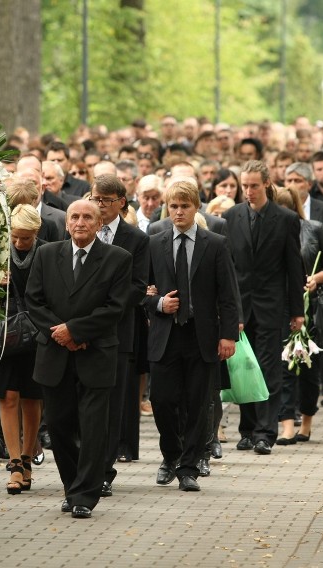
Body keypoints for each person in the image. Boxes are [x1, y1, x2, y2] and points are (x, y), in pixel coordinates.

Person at [25, 200, 133, 519]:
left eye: (88, 217)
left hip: (96, 353)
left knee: (93, 426)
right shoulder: (46, 255)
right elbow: (34, 299)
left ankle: (86, 494)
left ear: (99, 224)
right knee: (58, 424)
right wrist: (60, 333)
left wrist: (76, 331)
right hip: (54, 355)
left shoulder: (117, 259)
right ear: (66, 223)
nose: (80, 222)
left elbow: (116, 307)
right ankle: (72, 486)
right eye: (75, 217)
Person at [145, 178, 239, 490]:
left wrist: (228, 335)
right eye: (174, 206)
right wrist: (158, 303)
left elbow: (228, 293)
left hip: (202, 334)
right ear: (167, 208)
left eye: (185, 206)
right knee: (161, 399)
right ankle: (170, 455)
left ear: (196, 207)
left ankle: (189, 467)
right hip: (166, 334)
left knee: (200, 403)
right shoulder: (155, 241)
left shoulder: (214, 243)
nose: (179, 212)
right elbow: (139, 289)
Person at [222, 160, 305, 455]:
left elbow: (294, 267)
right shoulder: (231, 216)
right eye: (245, 185)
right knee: (243, 365)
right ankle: (246, 429)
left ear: (267, 184)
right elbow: (228, 268)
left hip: (272, 304)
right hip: (240, 305)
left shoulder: (285, 219)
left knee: (269, 367)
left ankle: (265, 432)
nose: (248, 191)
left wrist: (297, 311)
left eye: (254, 185)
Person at [87, 175, 149, 496]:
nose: (99, 206)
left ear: (121, 203)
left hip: (118, 332)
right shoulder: (82, 230)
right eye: (96, 199)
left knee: (113, 404)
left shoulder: (136, 239)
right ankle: (87, 466)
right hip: (83, 332)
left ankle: (104, 470)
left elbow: (138, 287)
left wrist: (105, 309)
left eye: (106, 201)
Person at [273, 187, 323, 444]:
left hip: (312, 308)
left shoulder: (314, 229)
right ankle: (286, 424)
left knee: (309, 369)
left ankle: (306, 421)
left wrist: (316, 279)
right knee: (284, 367)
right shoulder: (271, 232)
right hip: (281, 306)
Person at [0, 204, 46, 494]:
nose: (20, 243)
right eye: (15, 237)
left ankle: (27, 458)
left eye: (26, 238)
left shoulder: (47, 253)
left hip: (36, 334)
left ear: (36, 233)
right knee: (7, 396)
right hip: (4, 334)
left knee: (32, 397)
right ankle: (14, 464)